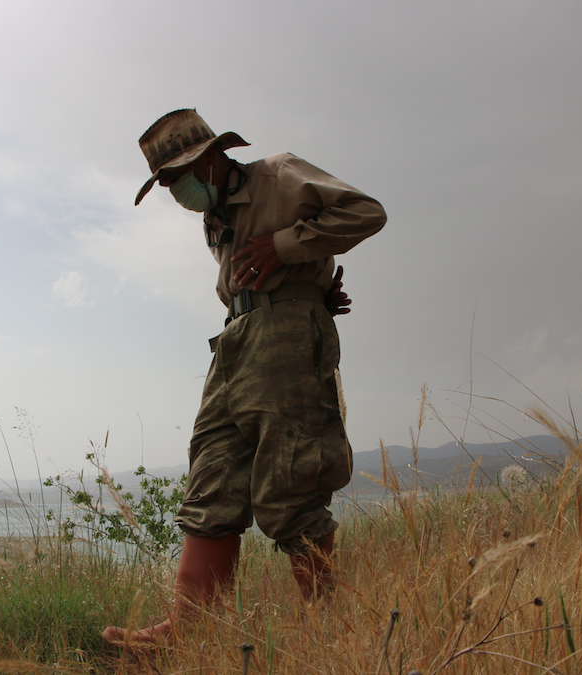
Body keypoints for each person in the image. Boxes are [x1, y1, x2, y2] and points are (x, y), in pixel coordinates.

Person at [102, 109, 386, 646]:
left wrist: (285, 251)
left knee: (291, 480)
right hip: (235, 339)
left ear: (208, 158)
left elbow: (366, 212)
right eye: (164, 183)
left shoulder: (277, 174)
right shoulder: (214, 218)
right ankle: (188, 633)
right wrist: (314, 286)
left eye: (175, 177)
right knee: (212, 479)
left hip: (284, 337)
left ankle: (332, 629)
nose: (173, 191)